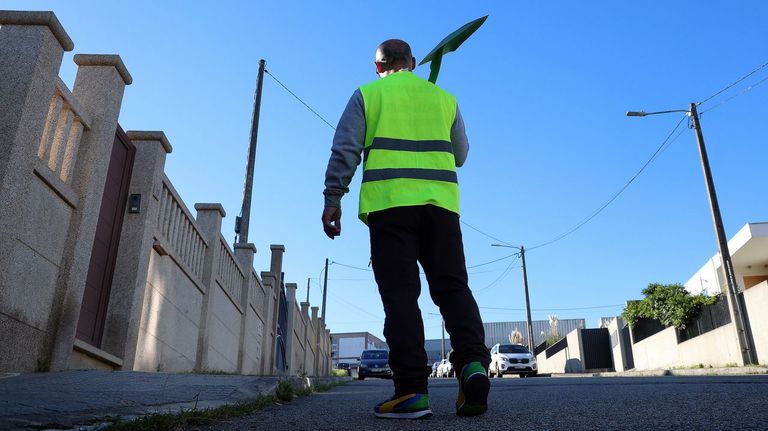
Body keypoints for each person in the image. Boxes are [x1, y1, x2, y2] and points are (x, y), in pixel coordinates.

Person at [322, 39, 490, 419]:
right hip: (441, 208)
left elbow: (345, 149)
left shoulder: (368, 94)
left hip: (389, 207)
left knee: (401, 296)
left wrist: (334, 198)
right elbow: (460, 155)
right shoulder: (445, 98)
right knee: (453, 288)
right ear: (412, 62)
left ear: (377, 66)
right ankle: (473, 366)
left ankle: (412, 392)